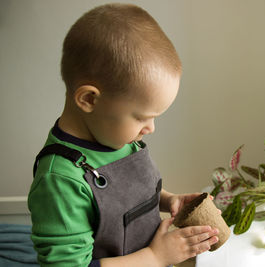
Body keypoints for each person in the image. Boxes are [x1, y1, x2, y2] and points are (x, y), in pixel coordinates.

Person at [28, 3, 219, 267]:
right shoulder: (60, 181)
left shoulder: (115, 137)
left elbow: (125, 195)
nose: (150, 128)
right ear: (88, 99)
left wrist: (169, 199)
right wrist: (156, 256)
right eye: (141, 117)